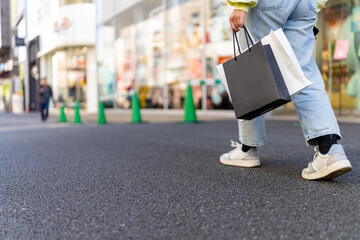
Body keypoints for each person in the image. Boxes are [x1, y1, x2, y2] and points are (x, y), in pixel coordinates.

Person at [220, 0, 352, 180]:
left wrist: (241, 4)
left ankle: (247, 149)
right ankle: (330, 150)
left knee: (251, 70)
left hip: (266, 4)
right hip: (305, 4)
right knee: (304, 71)